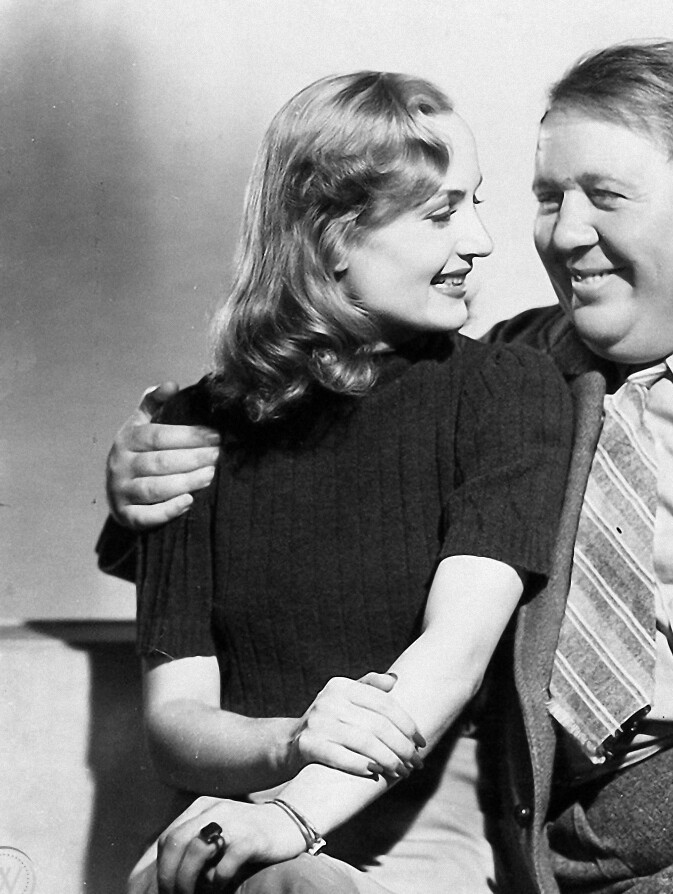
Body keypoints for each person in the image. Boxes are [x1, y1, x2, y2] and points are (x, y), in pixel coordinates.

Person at [100, 41, 673, 894]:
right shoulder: (507, 372)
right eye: (546, 197)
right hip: (571, 845)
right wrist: (143, 476)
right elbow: (335, 449)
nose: (563, 235)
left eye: (604, 196)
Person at [102, 70, 573, 894]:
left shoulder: (505, 390)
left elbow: (454, 653)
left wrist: (294, 817)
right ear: (331, 240)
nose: (480, 241)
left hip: (419, 829)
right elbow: (175, 724)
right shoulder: (188, 428)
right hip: (228, 809)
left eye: (475, 203)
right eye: (440, 214)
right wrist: (290, 746)